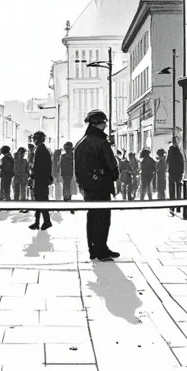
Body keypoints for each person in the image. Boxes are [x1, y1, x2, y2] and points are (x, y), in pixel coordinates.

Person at [74, 110, 119, 262]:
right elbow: (112, 165)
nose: (106, 124)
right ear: (99, 123)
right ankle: (101, 250)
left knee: (92, 217)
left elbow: (79, 168)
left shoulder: (81, 142)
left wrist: (83, 183)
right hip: (102, 184)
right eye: (104, 122)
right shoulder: (101, 142)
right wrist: (112, 175)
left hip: (88, 186)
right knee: (103, 218)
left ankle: (94, 249)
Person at [29, 131, 54, 230]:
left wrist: (32, 175)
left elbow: (38, 166)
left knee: (41, 200)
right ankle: (38, 222)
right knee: (40, 200)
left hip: (40, 179)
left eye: (35, 139)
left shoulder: (40, 150)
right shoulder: (43, 150)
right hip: (42, 179)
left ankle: (46, 221)